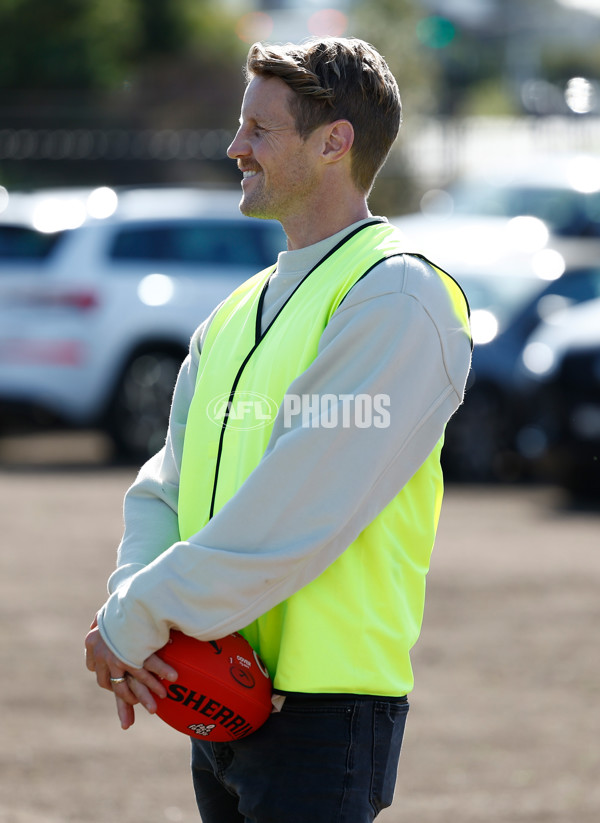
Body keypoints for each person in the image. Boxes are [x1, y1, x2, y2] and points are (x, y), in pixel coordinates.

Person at [85, 36, 472, 822]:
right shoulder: (233, 312)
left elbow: (294, 515)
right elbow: (165, 485)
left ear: (335, 143)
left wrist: (139, 619)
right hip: (212, 693)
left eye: (259, 130)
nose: (235, 147)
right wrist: (133, 602)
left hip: (325, 712)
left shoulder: (398, 296)